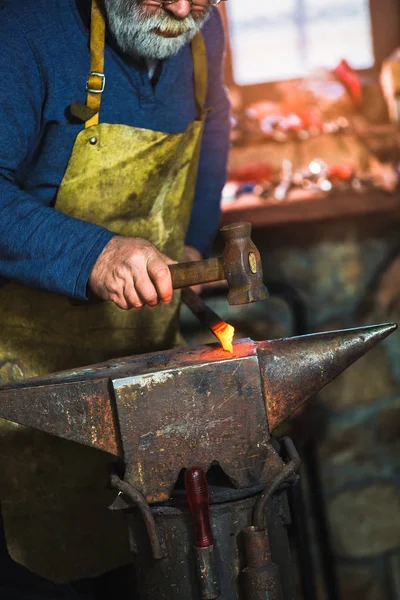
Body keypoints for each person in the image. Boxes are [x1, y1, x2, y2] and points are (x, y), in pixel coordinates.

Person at [0, 0, 230, 597]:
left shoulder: (202, 35)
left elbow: (215, 121)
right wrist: (94, 255)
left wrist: (195, 241)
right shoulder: (26, 32)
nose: (181, 9)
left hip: (141, 377)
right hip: (22, 387)